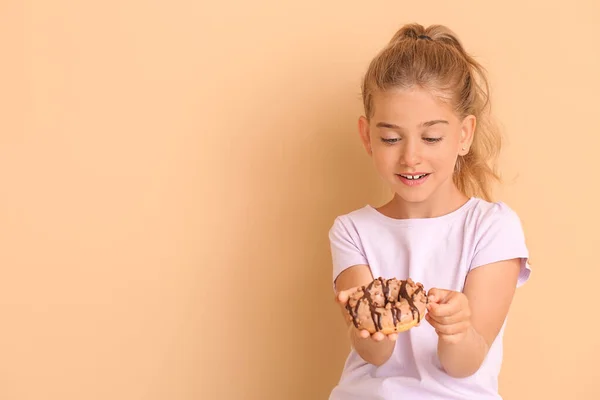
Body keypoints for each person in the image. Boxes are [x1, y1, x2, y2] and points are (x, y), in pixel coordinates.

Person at [328, 23, 531, 400]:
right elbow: (376, 354)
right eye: (390, 138)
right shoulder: (352, 230)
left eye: (432, 137)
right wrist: (365, 326)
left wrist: (458, 329)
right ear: (366, 136)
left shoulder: (492, 228)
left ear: (464, 135)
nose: (410, 157)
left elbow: (465, 363)